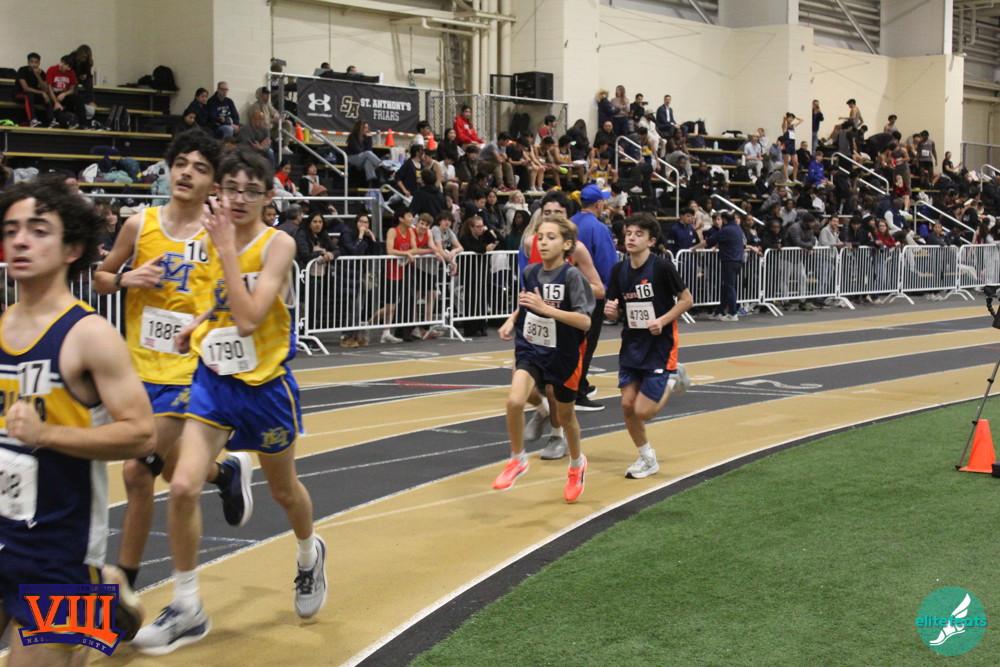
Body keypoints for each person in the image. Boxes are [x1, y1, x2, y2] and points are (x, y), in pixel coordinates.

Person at [131, 147, 327, 654]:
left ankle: (309, 554)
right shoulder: (209, 239)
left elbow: (248, 319)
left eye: (250, 191)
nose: (238, 199)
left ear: (268, 197)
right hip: (214, 382)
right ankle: (188, 607)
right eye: (231, 188)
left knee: (284, 491)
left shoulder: (277, 244)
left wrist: (223, 248)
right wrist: (195, 326)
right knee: (181, 486)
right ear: (220, 190)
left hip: (265, 389)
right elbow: (216, 302)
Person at [0, 175, 155, 665]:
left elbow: (142, 434)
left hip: (57, 551)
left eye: (38, 230)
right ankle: (103, 597)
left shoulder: (89, 335)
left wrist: (46, 433)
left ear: (72, 248)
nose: (20, 240)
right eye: (11, 230)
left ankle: (98, 600)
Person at [93, 130, 253, 597]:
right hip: (137, 372)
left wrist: (201, 322)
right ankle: (225, 473)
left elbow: (232, 297)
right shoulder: (138, 224)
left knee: (136, 470)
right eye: (181, 163)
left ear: (213, 184)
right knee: (168, 470)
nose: (187, 172)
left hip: (190, 371)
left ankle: (123, 587)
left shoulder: (218, 233)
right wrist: (128, 278)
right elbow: (101, 278)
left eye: (200, 168)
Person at [495, 214, 594, 502]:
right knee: (515, 401)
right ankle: (517, 459)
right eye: (540, 237)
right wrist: (511, 320)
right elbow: (528, 303)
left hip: (563, 354)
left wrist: (546, 309)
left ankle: (576, 464)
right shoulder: (530, 272)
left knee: (565, 417)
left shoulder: (573, 277)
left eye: (551, 237)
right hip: (531, 347)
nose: (544, 242)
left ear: (567, 244)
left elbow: (585, 321)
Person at [604, 212, 693, 478]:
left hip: (659, 346)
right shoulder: (619, 270)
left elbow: (687, 300)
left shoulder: (662, 268)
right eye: (629, 233)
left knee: (643, 412)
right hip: (631, 345)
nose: (631, 238)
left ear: (651, 241)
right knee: (627, 406)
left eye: (639, 234)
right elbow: (617, 309)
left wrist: (663, 320)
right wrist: (612, 312)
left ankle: (672, 378)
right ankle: (646, 457)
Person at [570, 184, 618, 411]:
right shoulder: (598, 228)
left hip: (567, 292)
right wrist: (611, 292)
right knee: (587, 344)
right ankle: (577, 390)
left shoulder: (569, 223)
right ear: (599, 203)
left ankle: (579, 383)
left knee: (571, 342)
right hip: (591, 293)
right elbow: (607, 263)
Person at [697, 211, 745, 321]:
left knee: (730, 286)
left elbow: (709, 241)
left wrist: (694, 248)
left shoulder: (726, 229)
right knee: (727, 286)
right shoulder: (737, 228)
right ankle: (720, 310)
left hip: (729, 260)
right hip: (738, 260)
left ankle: (733, 313)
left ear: (724, 220)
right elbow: (726, 240)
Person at [46, 54, 87, 129]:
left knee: (78, 98)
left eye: (65, 64)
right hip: (53, 94)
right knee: (55, 106)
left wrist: (64, 94)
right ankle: (63, 122)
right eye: (61, 62)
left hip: (63, 95)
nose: (61, 65)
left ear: (69, 67)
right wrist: (56, 102)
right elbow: (49, 88)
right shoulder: (52, 69)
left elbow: (72, 90)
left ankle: (83, 124)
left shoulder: (71, 73)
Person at [14, 52, 52, 127]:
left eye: (36, 62)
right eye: (32, 62)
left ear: (39, 63)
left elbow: (45, 89)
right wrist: (42, 93)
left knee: (48, 96)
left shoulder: (41, 73)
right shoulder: (22, 70)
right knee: (29, 95)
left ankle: (51, 120)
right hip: (19, 94)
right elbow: (25, 88)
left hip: (34, 94)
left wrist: (38, 75)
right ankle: (32, 120)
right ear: (28, 62)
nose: (34, 64)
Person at [346, 118, 384, 188]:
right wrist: (365, 151)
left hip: (362, 157)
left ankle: (371, 180)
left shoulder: (365, 137)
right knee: (368, 154)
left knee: (368, 161)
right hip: (352, 157)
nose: (367, 130)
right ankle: (381, 165)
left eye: (367, 128)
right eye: (365, 128)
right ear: (360, 128)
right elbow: (358, 150)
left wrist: (369, 139)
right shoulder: (352, 137)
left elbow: (369, 149)